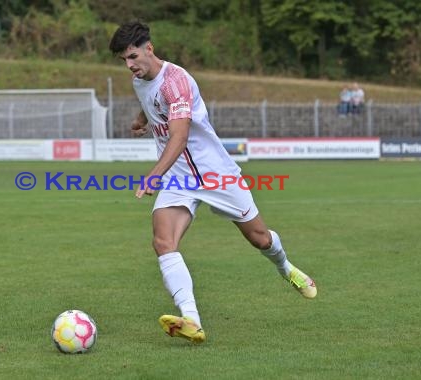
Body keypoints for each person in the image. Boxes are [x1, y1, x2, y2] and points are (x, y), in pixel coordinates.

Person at [109, 21, 317, 344]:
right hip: (179, 178)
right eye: (124, 60)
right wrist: (142, 118)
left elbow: (179, 135)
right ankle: (191, 319)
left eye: (133, 56)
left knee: (260, 239)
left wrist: (154, 174)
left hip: (215, 173)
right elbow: (151, 103)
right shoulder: (140, 79)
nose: (129, 65)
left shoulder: (176, 82)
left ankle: (287, 268)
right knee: (163, 242)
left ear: (149, 48)